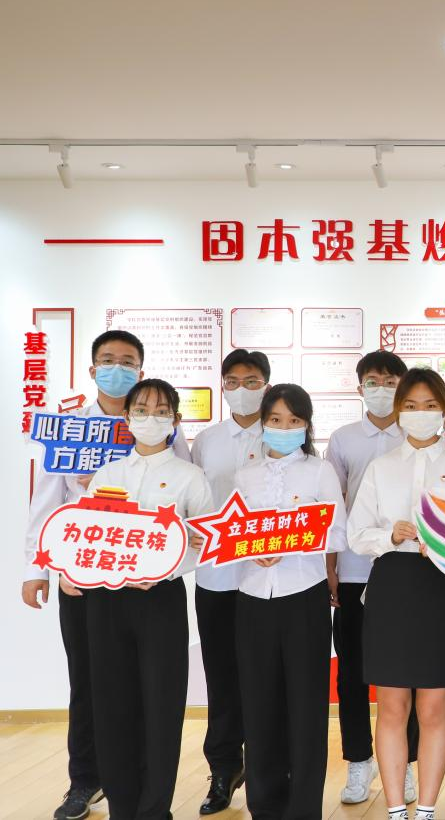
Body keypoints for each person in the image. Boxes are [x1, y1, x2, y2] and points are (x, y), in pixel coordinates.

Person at [20, 329, 191, 820]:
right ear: (93, 369)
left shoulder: (161, 428)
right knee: (88, 681)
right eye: (109, 360)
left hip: (144, 580)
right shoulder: (71, 426)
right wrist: (39, 568)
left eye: (128, 361)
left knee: (143, 688)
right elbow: (48, 499)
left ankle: (137, 786)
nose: (119, 368)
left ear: (141, 369)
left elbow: (182, 505)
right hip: (80, 577)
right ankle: (85, 781)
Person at [348, 367, 445, 820]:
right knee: (391, 705)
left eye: (429, 406)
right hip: (390, 585)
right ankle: (394, 809)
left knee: (433, 705)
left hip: (438, 586)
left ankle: (425, 808)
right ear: (398, 410)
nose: (420, 413)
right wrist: (389, 535)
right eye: (410, 405)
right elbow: (356, 534)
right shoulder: (381, 466)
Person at [85, 378, 214, 820]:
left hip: (160, 600)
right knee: (111, 704)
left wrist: (164, 566)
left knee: (161, 705)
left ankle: (155, 808)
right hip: (107, 600)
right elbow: (86, 536)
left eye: (161, 412)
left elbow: (204, 543)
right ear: (127, 418)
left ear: (175, 420)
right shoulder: (107, 476)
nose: (150, 419)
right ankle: (122, 806)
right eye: (141, 410)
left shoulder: (190, 477)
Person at [234, 384, 348, 819]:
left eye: (294, 421)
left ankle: (303, 809)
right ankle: (264, 806)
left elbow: (338, 533)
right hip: (252, 597)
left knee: (306, 708)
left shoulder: (319, 472)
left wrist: (292, 540)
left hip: (304, 597)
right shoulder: (245, 475)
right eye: (276, 420)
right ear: (263, 423)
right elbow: (232, 532)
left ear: (306, 425)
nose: (284, 428)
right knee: (259, 706)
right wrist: (251, 549)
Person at [325, 350, 420, 806]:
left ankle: (409, 764)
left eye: (390, 380)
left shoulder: (417, 435)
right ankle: (358, 761)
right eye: (374, 381)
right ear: (360, 386)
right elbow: (332, 507)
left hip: (406, 571)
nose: (382, 388)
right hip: (355, 569)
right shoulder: (344, 439)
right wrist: (330, 566)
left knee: (411, 670)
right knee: (353, 673)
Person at [189, 348, 270, 814]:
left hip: (268, 579)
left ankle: (264, 770)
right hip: (217, 577)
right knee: (221, 677)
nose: (242, 389)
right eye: (233, 381)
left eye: (252, 380)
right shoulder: (206, 441)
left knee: (264, 677)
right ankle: (223, 769)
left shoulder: (283, 434)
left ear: (266, 384)